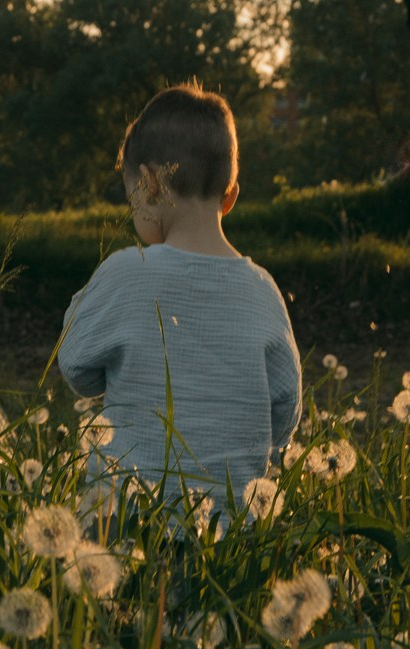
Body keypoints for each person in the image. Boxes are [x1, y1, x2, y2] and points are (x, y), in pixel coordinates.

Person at [58, 82, 301, 516]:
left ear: (149, 184)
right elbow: (285, 411)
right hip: (232, 533)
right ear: (230, 197)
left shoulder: (126, 271)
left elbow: (75, 366)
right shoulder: (264, 290)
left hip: (126, 522)